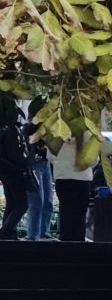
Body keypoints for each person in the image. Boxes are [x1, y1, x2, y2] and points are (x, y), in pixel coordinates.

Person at [51, 136, 94, 242]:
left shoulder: (57, 133)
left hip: (62, 177)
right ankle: (79, 247)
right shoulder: (87, 134)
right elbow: (94, 159)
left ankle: (65, 247)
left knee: (65, 214)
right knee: (80, 216)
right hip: (82, 177)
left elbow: (50, 155)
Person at [0, 97, 31, 240]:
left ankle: (8, 231)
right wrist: (22, 164)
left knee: (12, 202)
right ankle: (6, 230)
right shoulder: (11, 129)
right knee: (22, 203)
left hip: (5, 169)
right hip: (14, 170)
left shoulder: (4, 128)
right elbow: (15, 153)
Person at [23, 99, 51, 239]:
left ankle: (43, 232)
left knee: (48, 201)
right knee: (37, 203)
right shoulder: (29, 127)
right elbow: (28, 149)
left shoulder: (47, 127)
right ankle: (33, 235)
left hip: (45, 163)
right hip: (34, 165)